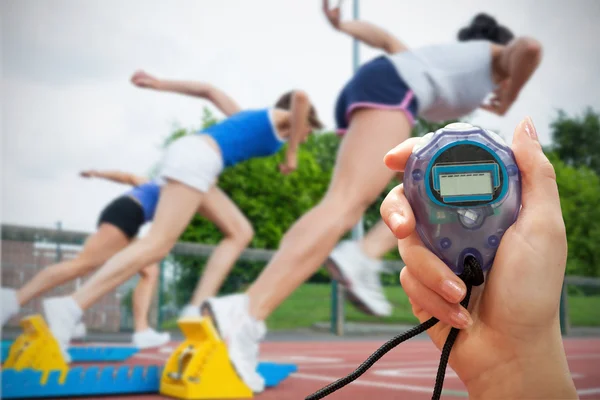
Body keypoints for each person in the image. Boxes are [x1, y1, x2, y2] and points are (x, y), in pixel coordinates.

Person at [200, 3, 544, 392]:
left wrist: (344, 24)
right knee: (348, 203)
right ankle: (255, 309)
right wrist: (510, 95)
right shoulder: (495, 59)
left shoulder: (437, 64)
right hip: (391, 91)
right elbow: (529, 48)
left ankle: (250, 309)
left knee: (368, 201)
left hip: (379, 85)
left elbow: (383, 40)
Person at [35, 70, 323, 384]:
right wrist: (293, 151)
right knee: (156, 244)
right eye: (309, 130)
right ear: (302, 121)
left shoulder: (249, 119)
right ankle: (72, 306)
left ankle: (196, 306)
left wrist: (160, 84)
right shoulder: (284, 118)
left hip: (198, 160)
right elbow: (301, 97)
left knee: (240, 232)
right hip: (197, 160)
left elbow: (209, 91)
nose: (306, 136)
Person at [378, 117, 578, 398]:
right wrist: (511, 371)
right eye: (452, 185)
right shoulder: (494, 164)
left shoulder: (433, 166)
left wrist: (525, 356)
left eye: (477, 179)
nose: (468, 213)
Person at [1, 170, 170, 349]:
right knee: (82, 264)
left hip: (126, 213)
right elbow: (129, 178)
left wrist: (95, 173)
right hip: (127, 213)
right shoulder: (175, 187)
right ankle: (12, 299)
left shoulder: (155, 184)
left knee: (149, 270)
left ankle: (142, 332)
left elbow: (128, 178)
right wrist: (97, 173)